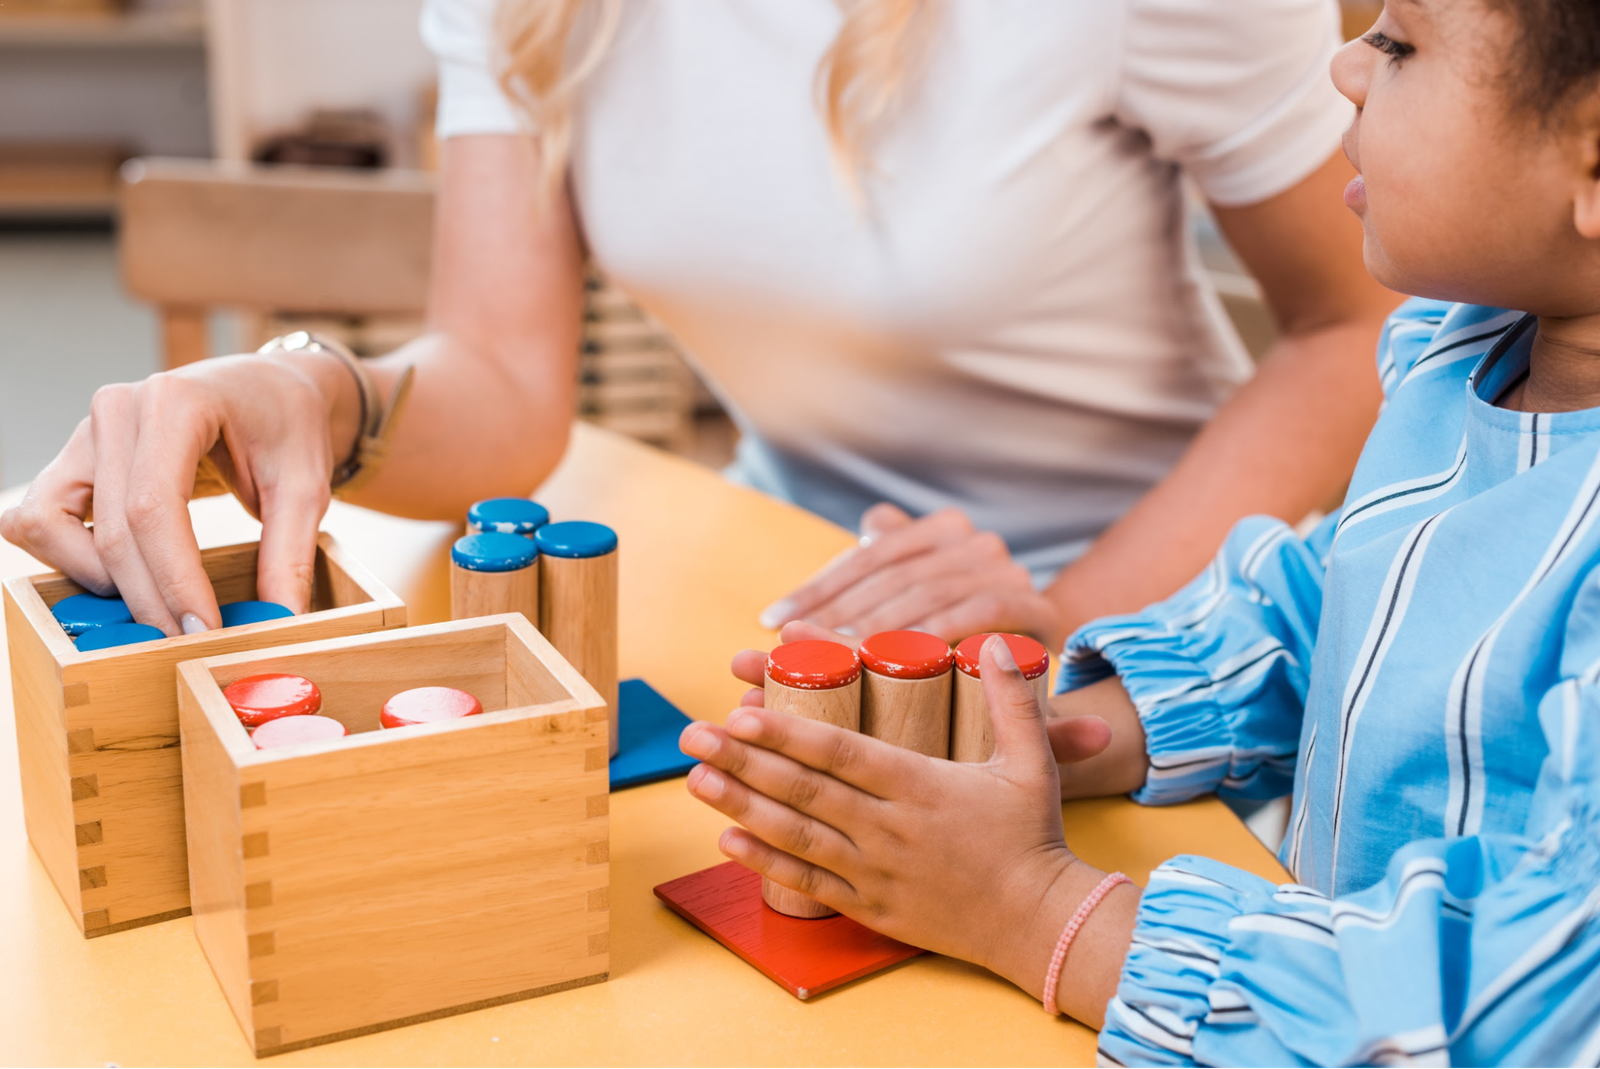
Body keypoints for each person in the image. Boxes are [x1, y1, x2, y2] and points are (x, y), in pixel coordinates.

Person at [679, 2, 1600, 1062]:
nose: (1342, 65)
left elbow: (1529, 994)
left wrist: (1030, 908)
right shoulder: (1465, 349)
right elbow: (1335, 608)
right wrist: (1046, 735)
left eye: (1397, 44)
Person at [0, 0, 1393, 648]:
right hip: (798, 581)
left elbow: (1359, 327)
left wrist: (1074, 619)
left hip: (1179, 611)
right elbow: (500, 378)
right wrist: (312, 388)